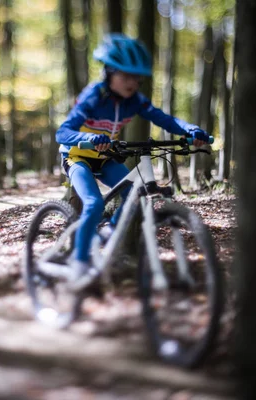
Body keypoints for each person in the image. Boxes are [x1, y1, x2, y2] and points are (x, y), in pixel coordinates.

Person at [55, 33, 210, 287]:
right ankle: (79, 265)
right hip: (77, 157)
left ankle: (106, 234)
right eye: (125, 76)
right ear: (109, 72)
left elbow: (165, 119)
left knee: (134, 196)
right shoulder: (94, 95)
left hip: (104, 159)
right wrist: (90, 139)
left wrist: (190, 130)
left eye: (136, 78)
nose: (132, 83)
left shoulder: (134, 101)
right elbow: (62, 132)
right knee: (93, 203)